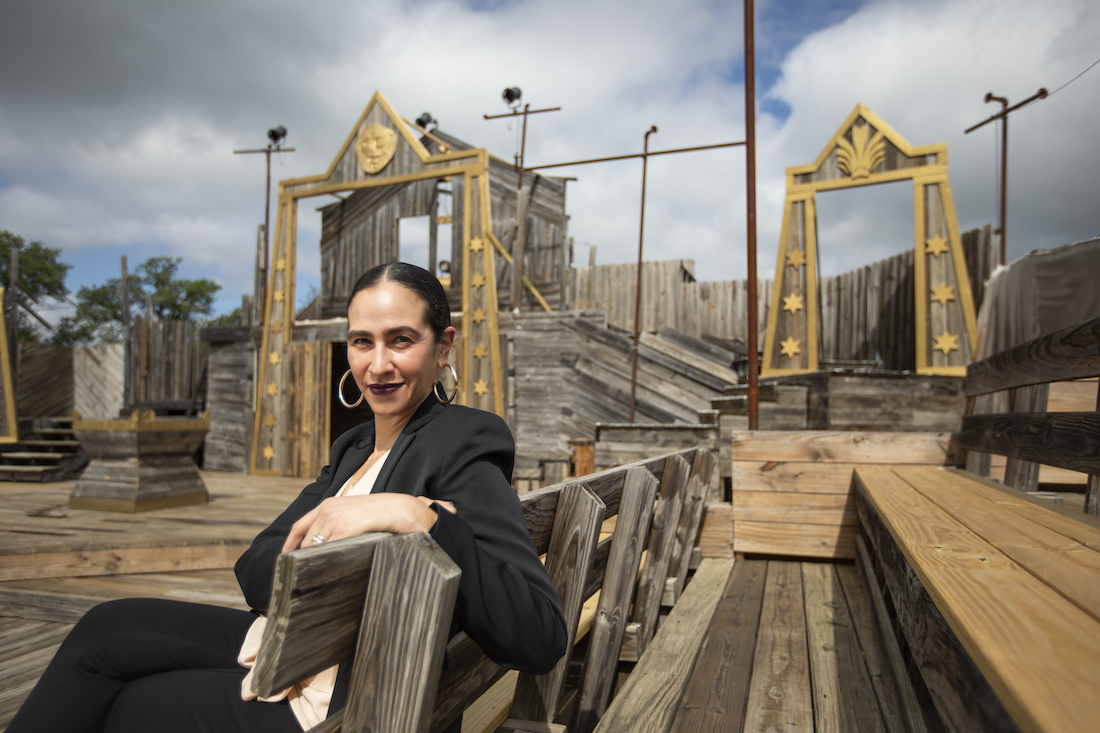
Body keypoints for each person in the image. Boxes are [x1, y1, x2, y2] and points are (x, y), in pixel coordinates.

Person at [8, 262, 568, 733]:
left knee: (128, 705)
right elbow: (255, 567)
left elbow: (540, 634)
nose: (378, 365)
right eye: (361, 342)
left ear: (443, 344)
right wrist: (328, 533)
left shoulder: (463, 439)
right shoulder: (353, 448)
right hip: (295, 643)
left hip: (352, 695)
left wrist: (414, 514)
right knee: (105, 629)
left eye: (401, 340)